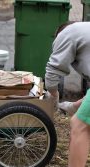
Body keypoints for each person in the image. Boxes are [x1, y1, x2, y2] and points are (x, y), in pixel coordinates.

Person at [45, 21, 90, 167]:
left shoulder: (67, 33)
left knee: (79, 125)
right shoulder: (84, 31)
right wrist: (70, 106)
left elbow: (53, 70)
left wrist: (54, 96)